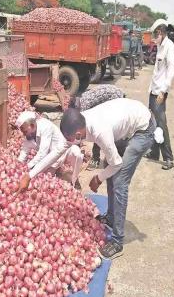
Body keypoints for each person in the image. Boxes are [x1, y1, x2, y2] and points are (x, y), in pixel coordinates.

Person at [60, 99, 156, 258]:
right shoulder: (82, 121)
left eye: (71, 139)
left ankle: (118, 242)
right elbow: (62, 148)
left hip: (143, 129)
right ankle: (111, 218)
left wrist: (98, 178)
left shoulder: (99, 131)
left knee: (119, 181)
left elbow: (117, 164)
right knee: (108, 166)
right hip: (127, 122)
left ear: (78, 134)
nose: (71, 143)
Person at [16, 111, 84, 191]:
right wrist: (18, 167)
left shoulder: (45, 126)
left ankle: (75, 180)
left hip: (65, 152)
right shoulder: (29, 137)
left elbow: (42, 153)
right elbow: (23, 154)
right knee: (45, 183)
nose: (24, 134)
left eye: (25, 132)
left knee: (77, 154)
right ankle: (58, 172)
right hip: (50, 161)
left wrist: (27, 167)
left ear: (32, 125)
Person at [70, 84, 125, 170]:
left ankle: (97, 159)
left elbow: (88, 129)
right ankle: (119, 152)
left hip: (115, 98)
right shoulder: (82, 98)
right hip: (114, 93)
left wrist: (77, 145)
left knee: (101, 131)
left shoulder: (84, 107)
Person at [146, 23, 174, 170]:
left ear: (161, 33)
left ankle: (169, 158)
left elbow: (170, 71)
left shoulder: (169, 46)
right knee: (153, 123)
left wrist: (163, 91)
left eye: (155, 34)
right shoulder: (159, 46)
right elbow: (157, 71)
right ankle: (154, 153)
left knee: (161, 124)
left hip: (160, 93)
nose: (153, 38)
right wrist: (151, 89)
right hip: (153, 91)